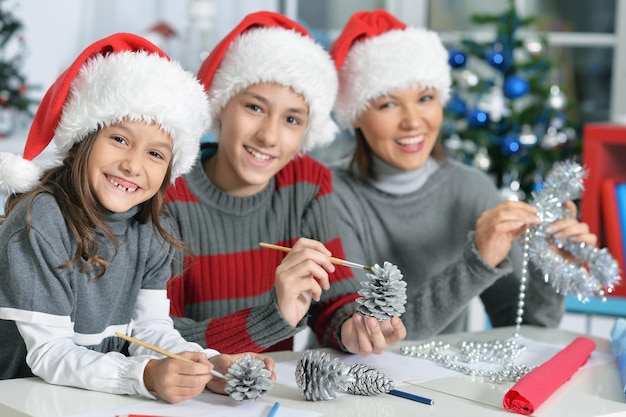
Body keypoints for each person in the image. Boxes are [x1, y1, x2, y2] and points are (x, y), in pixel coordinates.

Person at [0, 33, 273, 403]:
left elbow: (150, 328)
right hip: (20, 400)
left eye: (156, 155)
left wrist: (205, 365)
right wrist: (142, 375)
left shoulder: (151, 230)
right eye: (120, 139)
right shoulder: (41, 221)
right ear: (84, 137)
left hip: (90, 399)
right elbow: (48, 355)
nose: (133, 165)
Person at [328, 10, 598, 340]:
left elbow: (525, 328)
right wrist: (475, 264)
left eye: (425, 98)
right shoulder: (329, 194)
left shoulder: (470, 189)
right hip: (345, 385)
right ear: (355, 115)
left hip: (437, 386)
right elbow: (370, 339)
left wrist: (551, 268)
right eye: (388, 104)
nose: (413, 121)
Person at [164, 11, 406, 356]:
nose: (269, 136)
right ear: (221, 104)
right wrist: (273, 317)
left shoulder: (306, 182)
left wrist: (353, 327)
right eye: (254, 107)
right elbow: (158, 337)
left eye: (292, 119)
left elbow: (334, 298)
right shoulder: (170, 191)